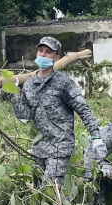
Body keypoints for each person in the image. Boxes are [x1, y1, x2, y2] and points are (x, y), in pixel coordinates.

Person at [6, 36, 105, 189]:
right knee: (42, 196)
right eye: (40, 51)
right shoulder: (29, 85)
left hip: (60, 147)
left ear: (56, 57)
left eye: (48, 52)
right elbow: (25, 115)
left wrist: (96, 136)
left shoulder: (63, 83)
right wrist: (13, 93)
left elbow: (83, 109)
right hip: (40, 148)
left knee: (50, 191)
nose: (43, 55)